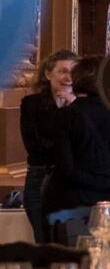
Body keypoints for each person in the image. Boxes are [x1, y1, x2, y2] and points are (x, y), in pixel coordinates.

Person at [44, 57, 110, 219]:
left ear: (77, 80)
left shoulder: (65, 114)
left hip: (65, 201)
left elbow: (66, 168)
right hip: (103, 200)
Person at [19, 49, 76, 242]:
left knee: (70, 242)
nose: (68, 77)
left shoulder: (84, 106)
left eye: (73, 71)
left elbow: (89, 143)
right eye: (62, 71)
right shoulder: (31, 104)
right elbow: (33, 145)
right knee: (44, 242)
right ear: (48, 74)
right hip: (40, 179)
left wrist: (73, 107)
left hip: (73, 182)